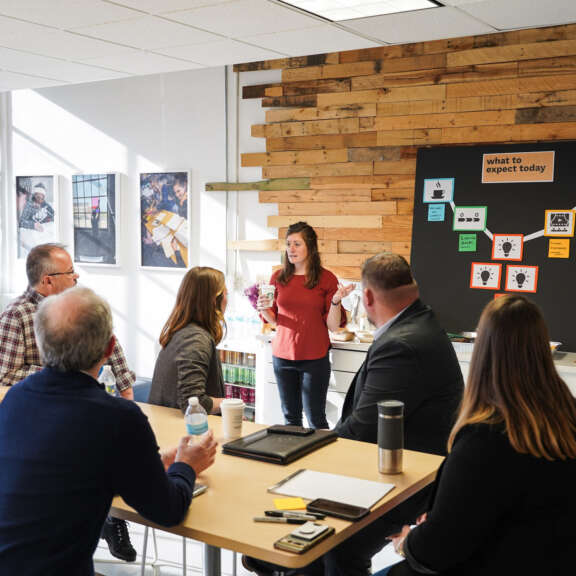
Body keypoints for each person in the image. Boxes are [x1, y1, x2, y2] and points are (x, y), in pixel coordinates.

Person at [243, 253, 464, 576]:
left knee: (335, 543)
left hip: (407, 481)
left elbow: (362, 428)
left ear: (369, 297)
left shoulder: (403, 344)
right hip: (406, 468)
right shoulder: (420, 324)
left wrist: (303, 452)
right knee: (314, 538)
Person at [0, 286, 218, 575]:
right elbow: (168, 511)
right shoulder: (118, 417)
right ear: (109, 348)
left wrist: (147, 464)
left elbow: (65, 474)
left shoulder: (15, 398)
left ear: (41, 347)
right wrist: (186, 466)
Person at [374, 295, 576, 576]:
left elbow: (436, 551)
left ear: (483, 353)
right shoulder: (565, 416)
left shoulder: (486, 439)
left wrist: (409, 542)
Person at [0, 243, 138, 563]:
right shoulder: (16, 315)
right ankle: (106, 521)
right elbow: (6, 374)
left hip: (87, 410)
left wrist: (126, 389)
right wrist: (60, 371)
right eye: (69, 272)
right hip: (43, 421)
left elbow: (110, 347)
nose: (76, 276)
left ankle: (111, 520)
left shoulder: (80, 306)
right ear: (47, 281)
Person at [259, 221, 349, 429]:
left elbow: (334, 326)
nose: (291, 249)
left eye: (297, 244)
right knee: (290, 418)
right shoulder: (277, 277)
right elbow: (275, 321)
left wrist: (335, 301)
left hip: (314, 359)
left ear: (311, 247)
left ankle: (321, 462)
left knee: (316, 418)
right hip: (282, 356)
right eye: (288, 244)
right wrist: (263, 308)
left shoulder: (326, 279)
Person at [149, 266, 226, 414]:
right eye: (226, 294)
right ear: (215, 300)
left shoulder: (181, 333)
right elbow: (193, 401)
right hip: (181, 431)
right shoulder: (196, 339)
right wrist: (227, 404)